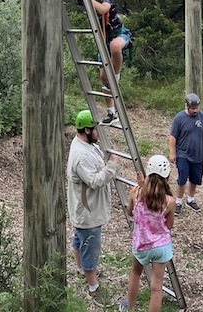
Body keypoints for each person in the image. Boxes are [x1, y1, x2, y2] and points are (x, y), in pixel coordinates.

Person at [62, 0, 132, 126]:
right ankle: (111, 113)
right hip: (103, 40)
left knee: (115, 47)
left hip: (119, 34)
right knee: (102, 77)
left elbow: (103, 9)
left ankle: (116, 75)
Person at [67, 109, 118, 305]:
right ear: (87, 130)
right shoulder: (81, 156)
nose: (98, 132)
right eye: (95, 129)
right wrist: (112, 166)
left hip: (86, 208)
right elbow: (95, 181)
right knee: (90, 246)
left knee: (80, 240)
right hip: (88, 211)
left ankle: (82, 269)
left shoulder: (84, 143)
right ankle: (93, 287)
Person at [118, 155, 175, 312]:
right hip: (161, 246)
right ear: (167, 176)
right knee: (156, 288)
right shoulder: (170, 201)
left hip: (141, 244)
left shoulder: (137, 192)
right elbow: (169, 226)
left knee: (135, 274)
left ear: (148, 173)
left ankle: (129, 308)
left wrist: (139, 190)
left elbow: (130, 212)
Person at [169, 92, 203, 215]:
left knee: (195, 178)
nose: (195, 111)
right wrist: (172, 153)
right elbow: (173, 137)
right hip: (183, 153)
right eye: (193, 108)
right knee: (182, 177)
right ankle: (178, 201)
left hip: (198, 155)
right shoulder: (179, 118)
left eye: (197, 108)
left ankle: (190, 199)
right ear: (187, 106)